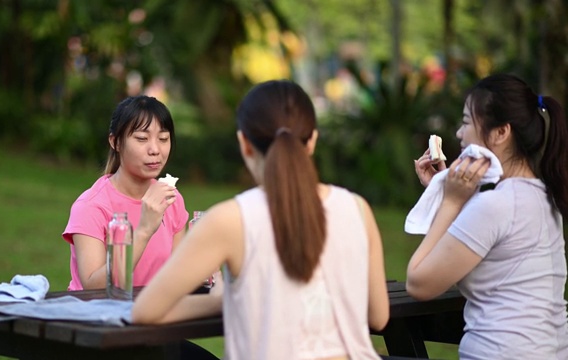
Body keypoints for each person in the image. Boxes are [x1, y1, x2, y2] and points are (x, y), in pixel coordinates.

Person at [131, 80, 390, 360]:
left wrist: (222, 300)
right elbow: (378, 317)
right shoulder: (357, 209)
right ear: (313, 140)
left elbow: (145, 311)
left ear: (244, 143)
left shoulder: (230, 219)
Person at [408, 73, 568, 359]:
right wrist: (445, 186)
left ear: (500, 133)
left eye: (467, 121)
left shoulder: (496, 205)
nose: (459, 132)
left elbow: (419, 283)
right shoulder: (542, 196)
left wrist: (450, 201)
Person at [62, 95, 188, 291]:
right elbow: (93, 286)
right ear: (116, 142)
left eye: (163, 139)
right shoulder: (91, 205)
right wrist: (144, 230)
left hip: (152, 313)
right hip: (97, 316)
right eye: (141, 139)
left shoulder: (171, 198)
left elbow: (179, 273)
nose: (155, 149)